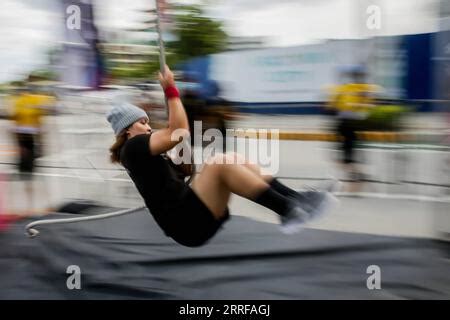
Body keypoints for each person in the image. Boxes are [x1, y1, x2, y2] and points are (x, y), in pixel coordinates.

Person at [107, 65, 336, 247]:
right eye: (142, 122)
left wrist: (180, 154)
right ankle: (287, 210)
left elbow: (185, 171)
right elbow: (180, 130)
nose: (148, 127)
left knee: (233, 158)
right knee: (220, 162)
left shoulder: (142, 154)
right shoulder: (132, 147)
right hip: (185, 221)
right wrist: (170, 89)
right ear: (127, 129)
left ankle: (296, 201)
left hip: (190, 216)